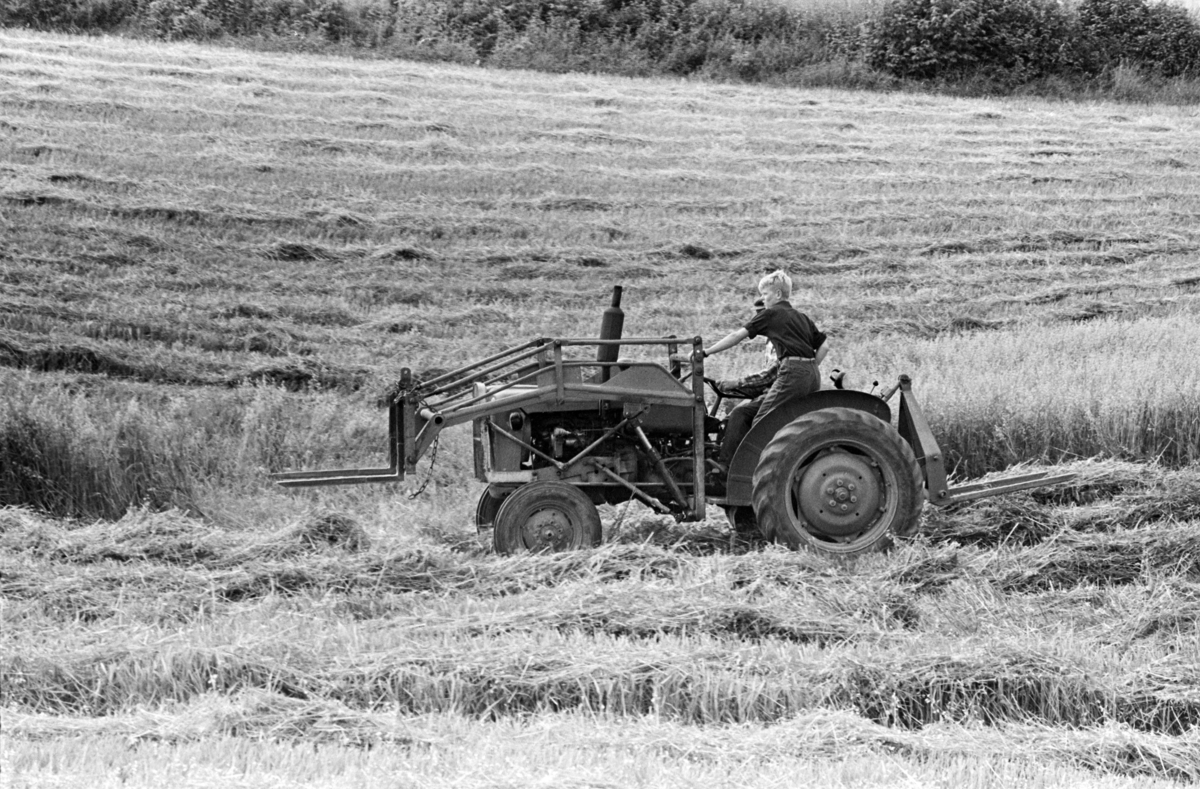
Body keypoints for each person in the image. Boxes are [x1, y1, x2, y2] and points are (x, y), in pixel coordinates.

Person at [702, 270, 829, 467]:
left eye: (765, 294)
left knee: (762, 423)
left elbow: (737, 335)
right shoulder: (802, 317)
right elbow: (824, 347)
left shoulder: (771, 314)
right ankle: (726, 465)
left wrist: (706, 352)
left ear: (778, 294)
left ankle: (750, 473)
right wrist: (808, 366)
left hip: (792, 373)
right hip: (812, 374)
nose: (763, 299)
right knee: (742, 414)